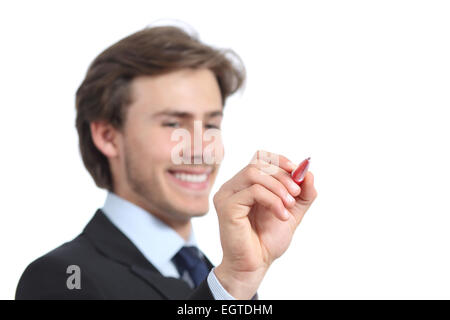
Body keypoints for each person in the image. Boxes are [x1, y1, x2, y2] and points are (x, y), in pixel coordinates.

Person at [15, 25, 317, 300]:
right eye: (173, 124)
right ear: (108, 136)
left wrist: (240, 280)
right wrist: (234, 283)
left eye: (211, 125)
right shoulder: (62, 279)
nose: (201, 150)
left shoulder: (215, 275)